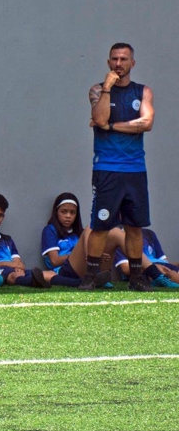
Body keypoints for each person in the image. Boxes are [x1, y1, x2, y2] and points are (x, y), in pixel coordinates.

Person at [85, 42, 155, 290]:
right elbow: (100, 118)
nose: (119, 63)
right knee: (101, 225)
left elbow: (146, 123)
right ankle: (91, 276)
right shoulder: (98, 90)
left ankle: (136, 278)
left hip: (136, 169)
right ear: (108, 63)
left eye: (124, 59)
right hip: (106, 168)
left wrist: (112, 127)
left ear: (132, 63)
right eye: (114, 59)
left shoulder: (142, 91)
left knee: (135, 226)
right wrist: (106, 88)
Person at [38, 192, 85, 288]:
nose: (68, 216)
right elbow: (54, 261)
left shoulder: (80, 232)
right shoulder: (50, 230)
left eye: (72, 212)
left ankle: (95, 276)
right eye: (64, 212)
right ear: (56, 212)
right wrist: (77, 256)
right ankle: (92, 279)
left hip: (83, 267)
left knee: (111, 233)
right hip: (62, 271)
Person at [113, 227, 179, 288]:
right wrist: (154, 268)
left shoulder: (149, 234)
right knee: (171, 275)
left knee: (173, 271)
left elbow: (165, 262)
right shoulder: (121, 237)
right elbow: (126, 269)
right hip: (145, 271)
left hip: (164, 268)